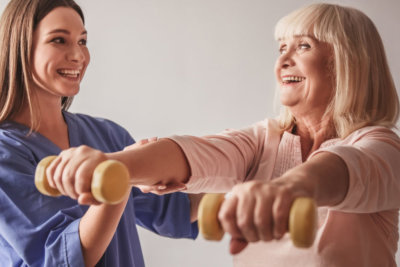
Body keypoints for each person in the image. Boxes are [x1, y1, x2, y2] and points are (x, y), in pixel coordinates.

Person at [45, 3, 400, 267]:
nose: (282, 62)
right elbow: (197, 153)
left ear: (346, 61)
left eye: (303, 47)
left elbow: (344, 168)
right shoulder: (265, 140)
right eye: (281, 49)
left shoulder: (382, 147)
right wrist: (112, 163)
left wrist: (287, 190)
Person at [0, 0, 200, 266]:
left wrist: (249, 159)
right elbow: (62, 256)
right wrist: (119, 174)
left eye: (82, 41)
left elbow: (178, 209)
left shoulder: (107, 134)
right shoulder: (5, 152)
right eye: (59, 40)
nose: (78, 56)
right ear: (21, 47)